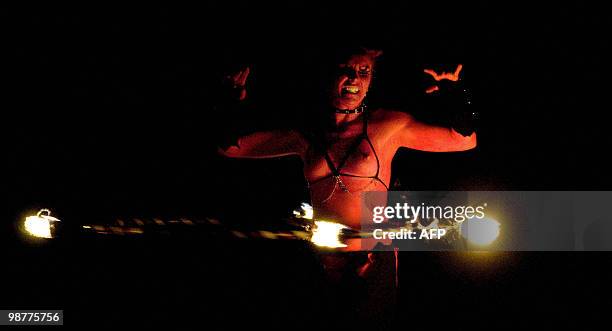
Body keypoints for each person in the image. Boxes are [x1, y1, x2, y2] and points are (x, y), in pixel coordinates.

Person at [215, 45, 477, 326]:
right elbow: (230, 148)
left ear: (371, 81)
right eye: (346, 70)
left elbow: (464, 140)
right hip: (324, 263)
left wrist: (455, 92)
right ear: (328, 76)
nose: (354, 78)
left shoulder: (387, 125)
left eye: (364, 72)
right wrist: (230, 99)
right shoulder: (307, 134)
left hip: (372, 259)